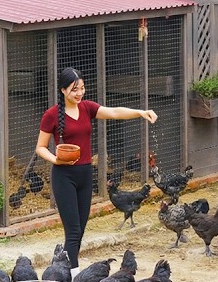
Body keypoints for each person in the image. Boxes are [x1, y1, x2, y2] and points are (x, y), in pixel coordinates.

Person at [37, 67, 157, 268]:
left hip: (85, 174)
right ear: (63, 90)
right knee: (73, 232)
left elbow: (114, 112)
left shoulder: (87, 108)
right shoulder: (51, 115)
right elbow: (40, 147)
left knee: (80, 231)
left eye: (82, 88)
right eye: (75, 89)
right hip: (64, 175)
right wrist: (56, 160)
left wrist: (140, 112)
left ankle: (60, 269)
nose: (80, 93)